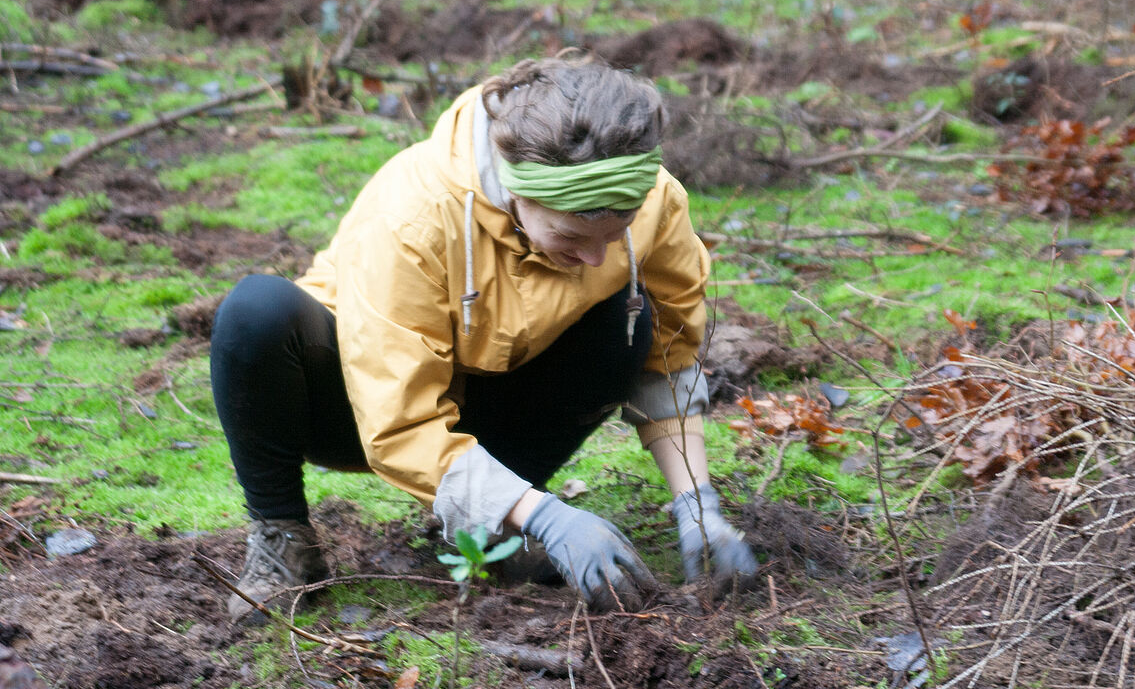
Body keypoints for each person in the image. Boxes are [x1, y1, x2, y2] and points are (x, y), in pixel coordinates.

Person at [209, 56, 757, 624]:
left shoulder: (648, 198)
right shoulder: (415, 215)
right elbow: (397, 422)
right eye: (571, 237)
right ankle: (283, 537)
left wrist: (698, 503)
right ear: (518, 193)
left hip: (502, 401)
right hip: (357, 405)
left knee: (629, 317)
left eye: (612, 236)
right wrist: (551, 519)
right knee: (256, 313)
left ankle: (490, 524)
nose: (596, 257)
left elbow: (669, 351)